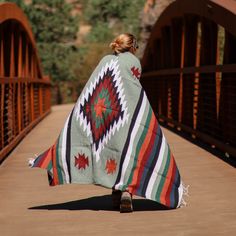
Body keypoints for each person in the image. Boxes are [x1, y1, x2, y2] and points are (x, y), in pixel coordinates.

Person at [29, 33, 186, 213]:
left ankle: (115, 193)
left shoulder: (105, 60)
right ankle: (126, 191)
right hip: (126, 115)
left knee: (111, 149)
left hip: (101, 116)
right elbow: (132, 87)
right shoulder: (134, 62)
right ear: (132, 46)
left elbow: (92, 86)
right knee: (128, 148)